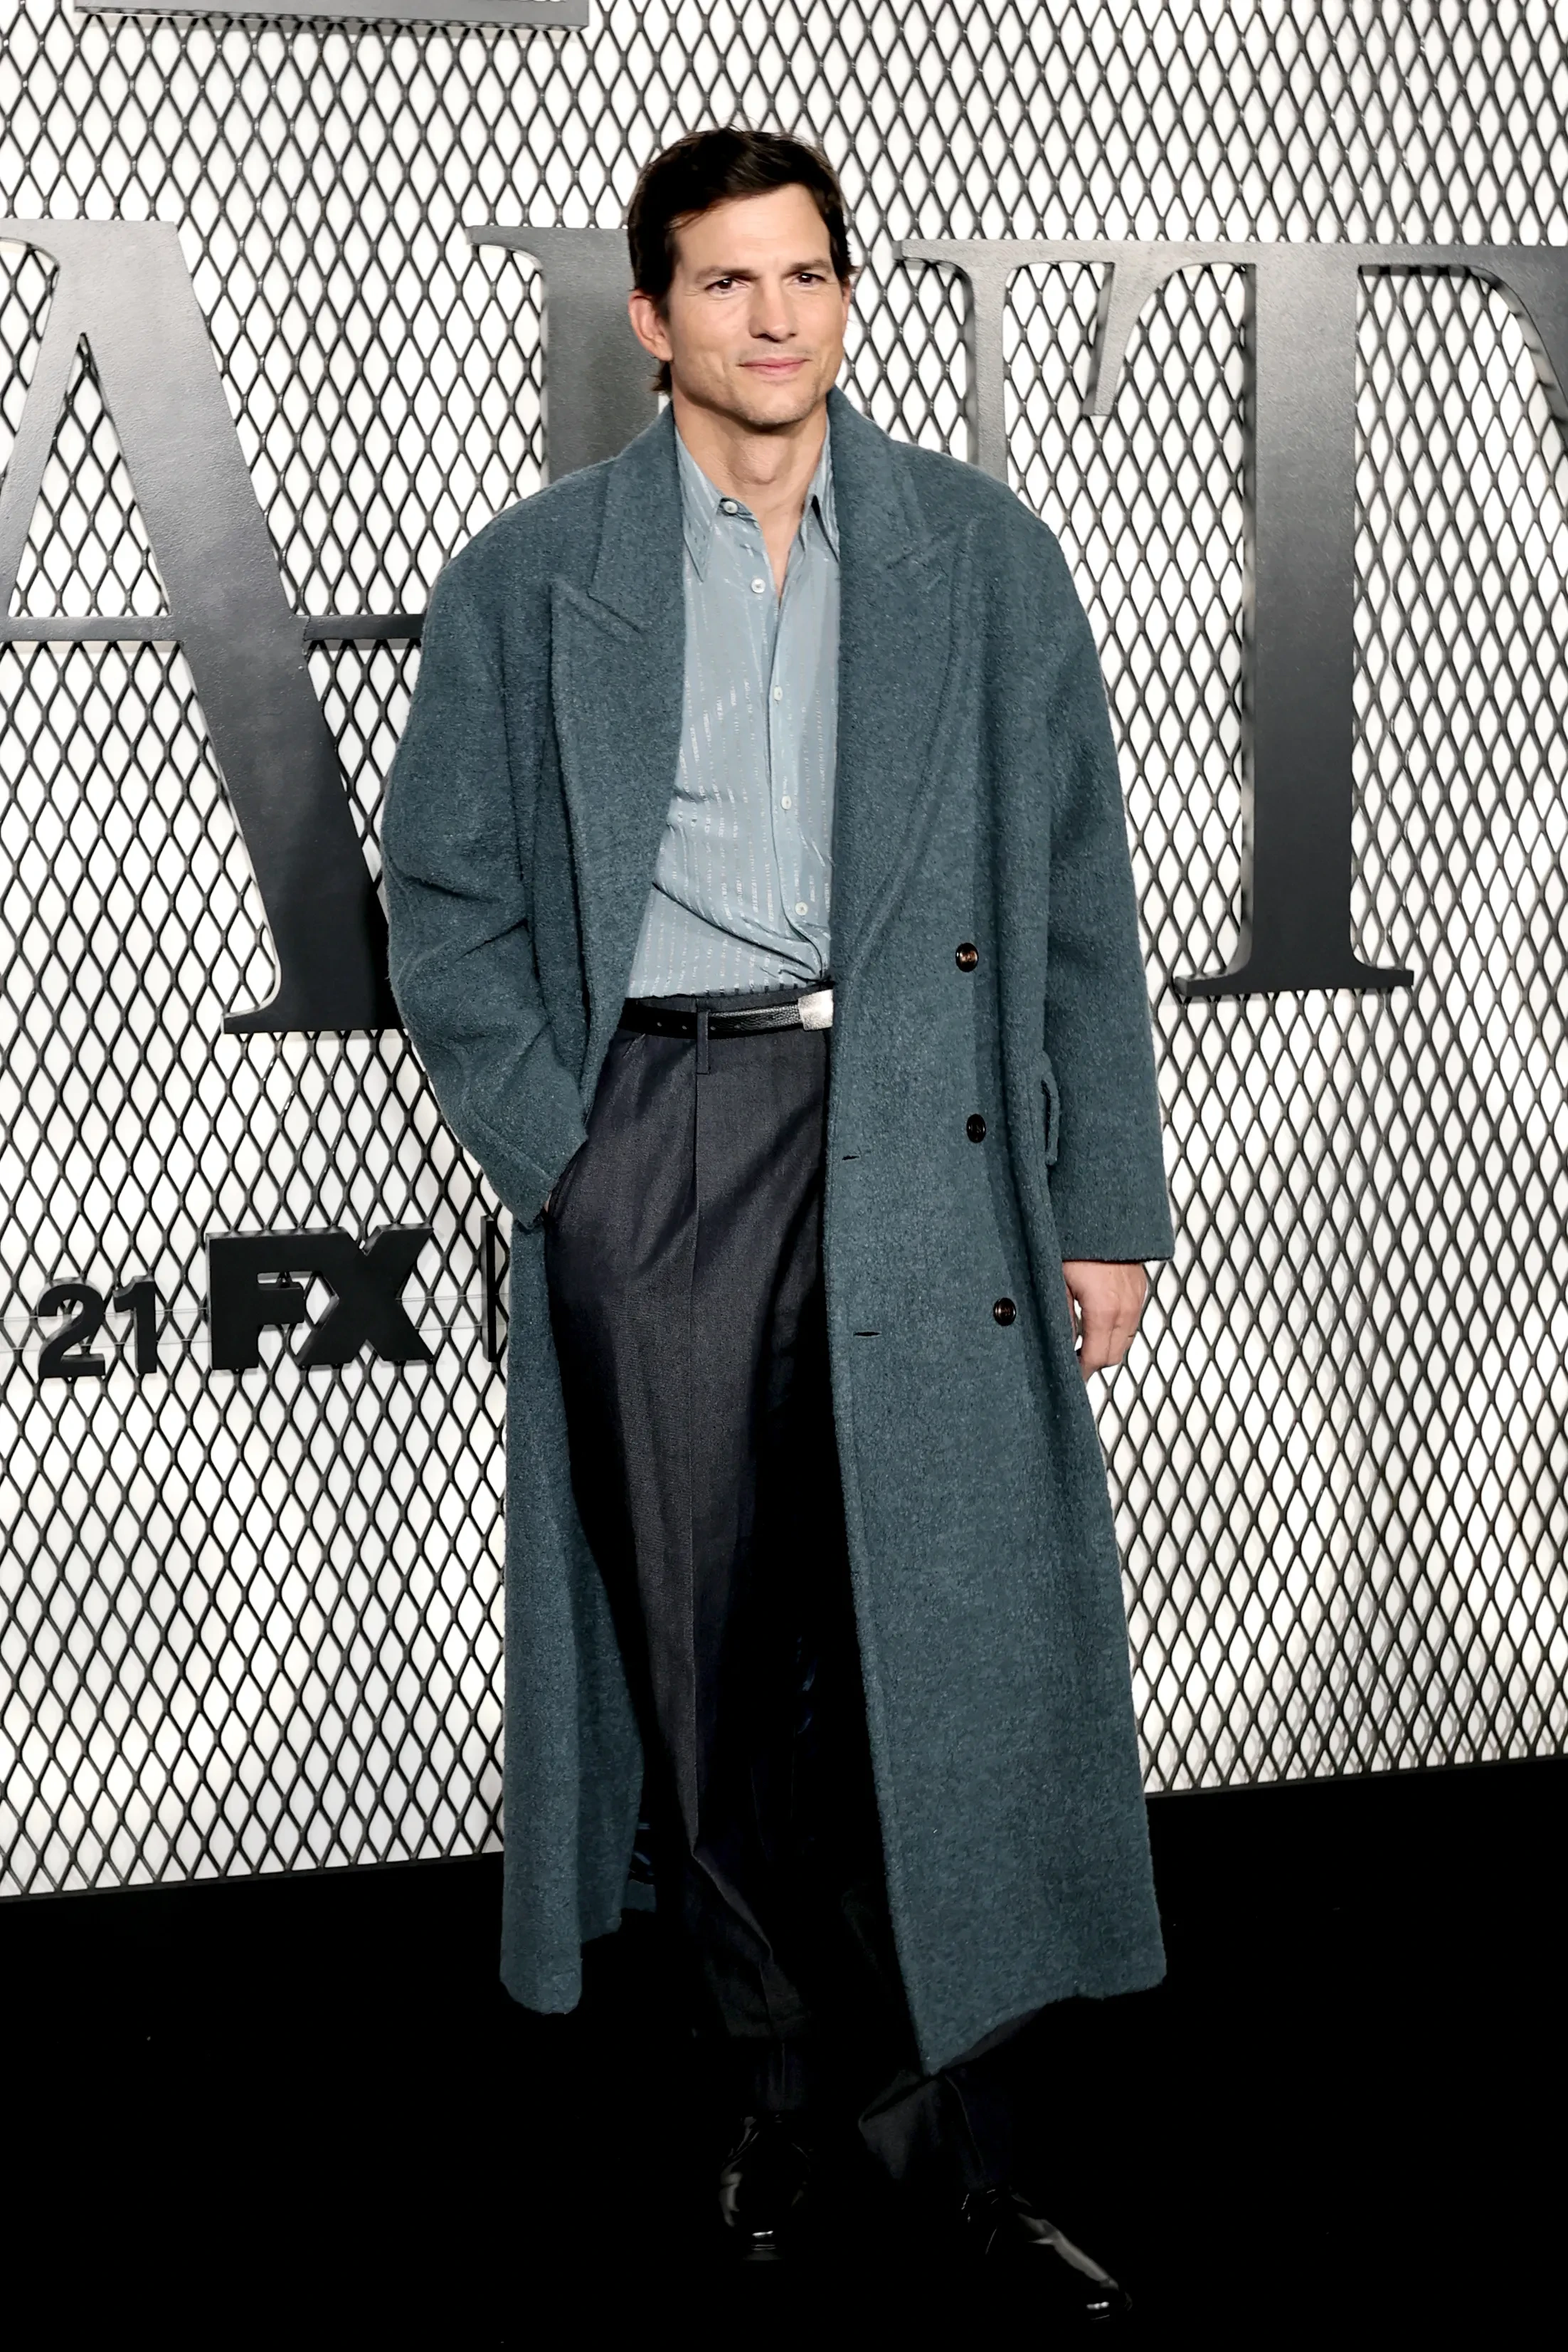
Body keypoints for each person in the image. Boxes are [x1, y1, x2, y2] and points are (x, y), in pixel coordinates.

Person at [382, 126, 1172, 2306]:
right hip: (657, 1134)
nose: (772, 316)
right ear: (650, 317)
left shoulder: (981, 561)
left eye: (804, 274)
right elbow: (442, 891)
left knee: (933, 1661)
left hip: (920, 1131)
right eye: (725, 281)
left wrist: (1102, 1202)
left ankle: (964, 2162)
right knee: (709, 1665)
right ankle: (775, 2094)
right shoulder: (531, 576)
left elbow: (1082, 907)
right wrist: (559, 1146)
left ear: (842, 295)